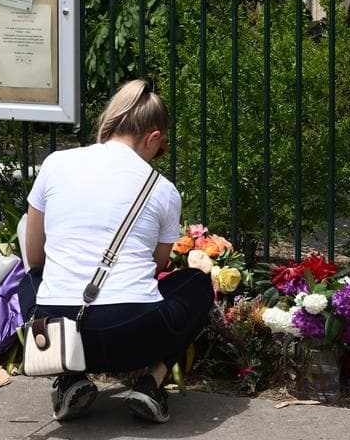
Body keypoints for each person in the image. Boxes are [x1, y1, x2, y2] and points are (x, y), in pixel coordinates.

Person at [22, 78, 214, 423]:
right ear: (153, 138)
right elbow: (157, 265)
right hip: (134, 336)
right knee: (197, 284)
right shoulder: (163, 189)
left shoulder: (55, 164)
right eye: (162, 146)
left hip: (56, 331)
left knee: (29, 281)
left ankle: (70, 378)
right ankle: (151, 383)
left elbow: (34, 257)